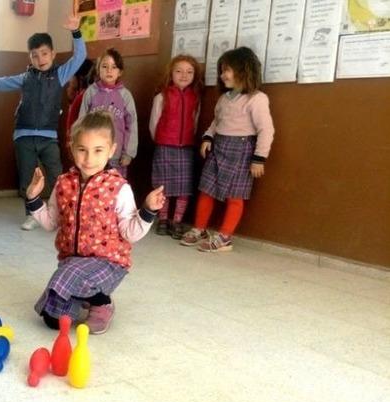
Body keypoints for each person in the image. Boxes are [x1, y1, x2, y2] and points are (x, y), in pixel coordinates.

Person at [26, 111, 164, 334]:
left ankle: (102, 302)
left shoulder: (119, 188)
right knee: (53, 321)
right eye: (82, 150)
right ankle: (84, 296)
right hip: (71, 262)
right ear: (72, 148)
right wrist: (33, 199)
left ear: (111, 150)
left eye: (98, 150)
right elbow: (51, 222)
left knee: (70, 276)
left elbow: (130, 233)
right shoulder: (63, 184)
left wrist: (148, 210)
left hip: (108, 263)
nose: (89, 159)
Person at [0, 14, 86, 231]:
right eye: (35, 55)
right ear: (30, 57)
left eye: (45, 53)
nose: (40, 59)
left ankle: (60, 213)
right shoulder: (25, 78)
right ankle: (31, 214)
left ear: (53, 54)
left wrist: (76, 32)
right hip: (24, 136)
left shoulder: (60, 74)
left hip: (49, 137)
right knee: (27, 178)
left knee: (57, 176)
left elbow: (80, 56)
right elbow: (3, 83)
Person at [180, 47, 275, 252]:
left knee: (235, 195)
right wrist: (208, 137)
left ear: (244, 71)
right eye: (221, 70)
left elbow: (266, 130)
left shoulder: (257, 99)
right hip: (219, 147)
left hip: (242, 151)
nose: (223, 75)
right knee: (206, 190)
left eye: (227, 70)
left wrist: (259, 158)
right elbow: (217, 122)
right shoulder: (224, 98)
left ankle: (225, 237)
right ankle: (200, 229)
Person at [149, 55, 203, 239]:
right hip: (164, 146)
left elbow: (195, 122)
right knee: (163, 186)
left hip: (185, 148)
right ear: (171, 74)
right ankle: (163, 219)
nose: (184, 75)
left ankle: (176, 221)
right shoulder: (162, 97)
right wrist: (160, 139)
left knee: (183, 187)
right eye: (179, 71)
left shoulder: (195, 98)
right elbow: (154, 123)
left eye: (189, 72)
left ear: (194, 76)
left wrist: (188, 139)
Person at [78, 48, 138, 178]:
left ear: (120, 72)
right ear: (98, 69)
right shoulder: (91, 92)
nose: (109, 70)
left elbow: (132, 125)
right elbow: (81, 121)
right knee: (93, 185)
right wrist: (81, 148)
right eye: (104, 66)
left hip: (117, 156)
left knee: (115, 187)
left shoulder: (125, 95)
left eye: (114, 67)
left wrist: (128, 153)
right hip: (93, 154)